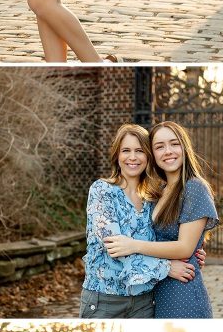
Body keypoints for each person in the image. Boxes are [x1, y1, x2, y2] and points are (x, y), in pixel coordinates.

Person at [80, 124, 198, 318]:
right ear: (117, 155)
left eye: (140, 151)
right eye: (126, 150)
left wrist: (193, 250)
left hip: (145, 300)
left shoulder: (153, 197)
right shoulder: (102, 191)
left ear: (148, 156)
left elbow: (163, 237)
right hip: (105, 300)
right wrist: (167, 267)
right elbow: (115, 249)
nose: (132, 157)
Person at [104, 121, 219, 318]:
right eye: (159, 146)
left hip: (182, 293)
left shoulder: (194, 188)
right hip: (156, 289)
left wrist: (133, 245)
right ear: (152, 155)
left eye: (174, 144)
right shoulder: (159, 192)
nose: (168, 151)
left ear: (184, 147)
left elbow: (184, 248)